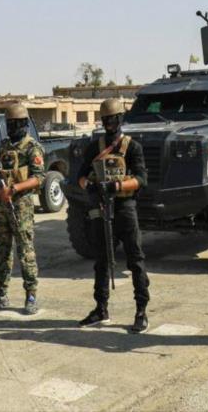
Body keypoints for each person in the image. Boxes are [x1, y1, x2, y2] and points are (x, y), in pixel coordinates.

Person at [76, 98, 150, 333]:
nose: (109, 124)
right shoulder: (94, 147)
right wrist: (89, 185)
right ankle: (101, 309)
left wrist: (116, 187)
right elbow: (81, 175)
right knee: (101, 261)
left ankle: (141, 310)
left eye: (113, 119)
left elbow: (141, 179)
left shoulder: (132, 147)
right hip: (101, 208)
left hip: (124, 208)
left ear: (121, 119)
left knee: (135, 259)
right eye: (106, 120)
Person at [0, 104, 45, 315]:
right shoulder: (5, 145)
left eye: (14, 124)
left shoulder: (32, 147)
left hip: (20, 207)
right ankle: (0, 293)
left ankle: (31, 295)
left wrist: (14, 188)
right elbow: (1, 172)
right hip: (1, 206)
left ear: (23, 124)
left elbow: (39, 178)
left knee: (25, 251)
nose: (10, 128)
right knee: (2, 250)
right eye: (8, 124)